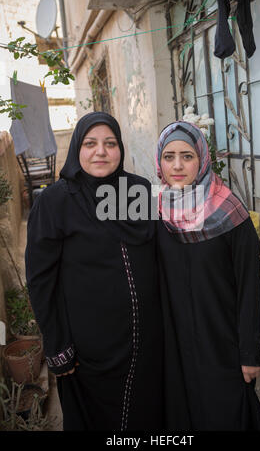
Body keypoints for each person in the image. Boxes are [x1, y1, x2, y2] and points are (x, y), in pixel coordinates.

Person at [25, 111, 163, 431]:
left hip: (146, 343)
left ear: (120, 149)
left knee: (146, 417)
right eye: (90, 143)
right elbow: (40, 280)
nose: (101, 151)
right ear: (77, 149)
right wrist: (58, 347)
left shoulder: (137, 190)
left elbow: (155, 253)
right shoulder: (55, 201)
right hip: (89, 350)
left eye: (110, 143)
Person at [156, 120, 260, 431]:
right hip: (174, 346)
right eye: (169, 156)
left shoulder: (231, 214)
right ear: (159, 161)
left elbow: (249, 289)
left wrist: (250, 352)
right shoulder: (156, 212)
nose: (177, 166)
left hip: (222, 345)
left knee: (229, 415)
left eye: (187, 156)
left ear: (203, 158)